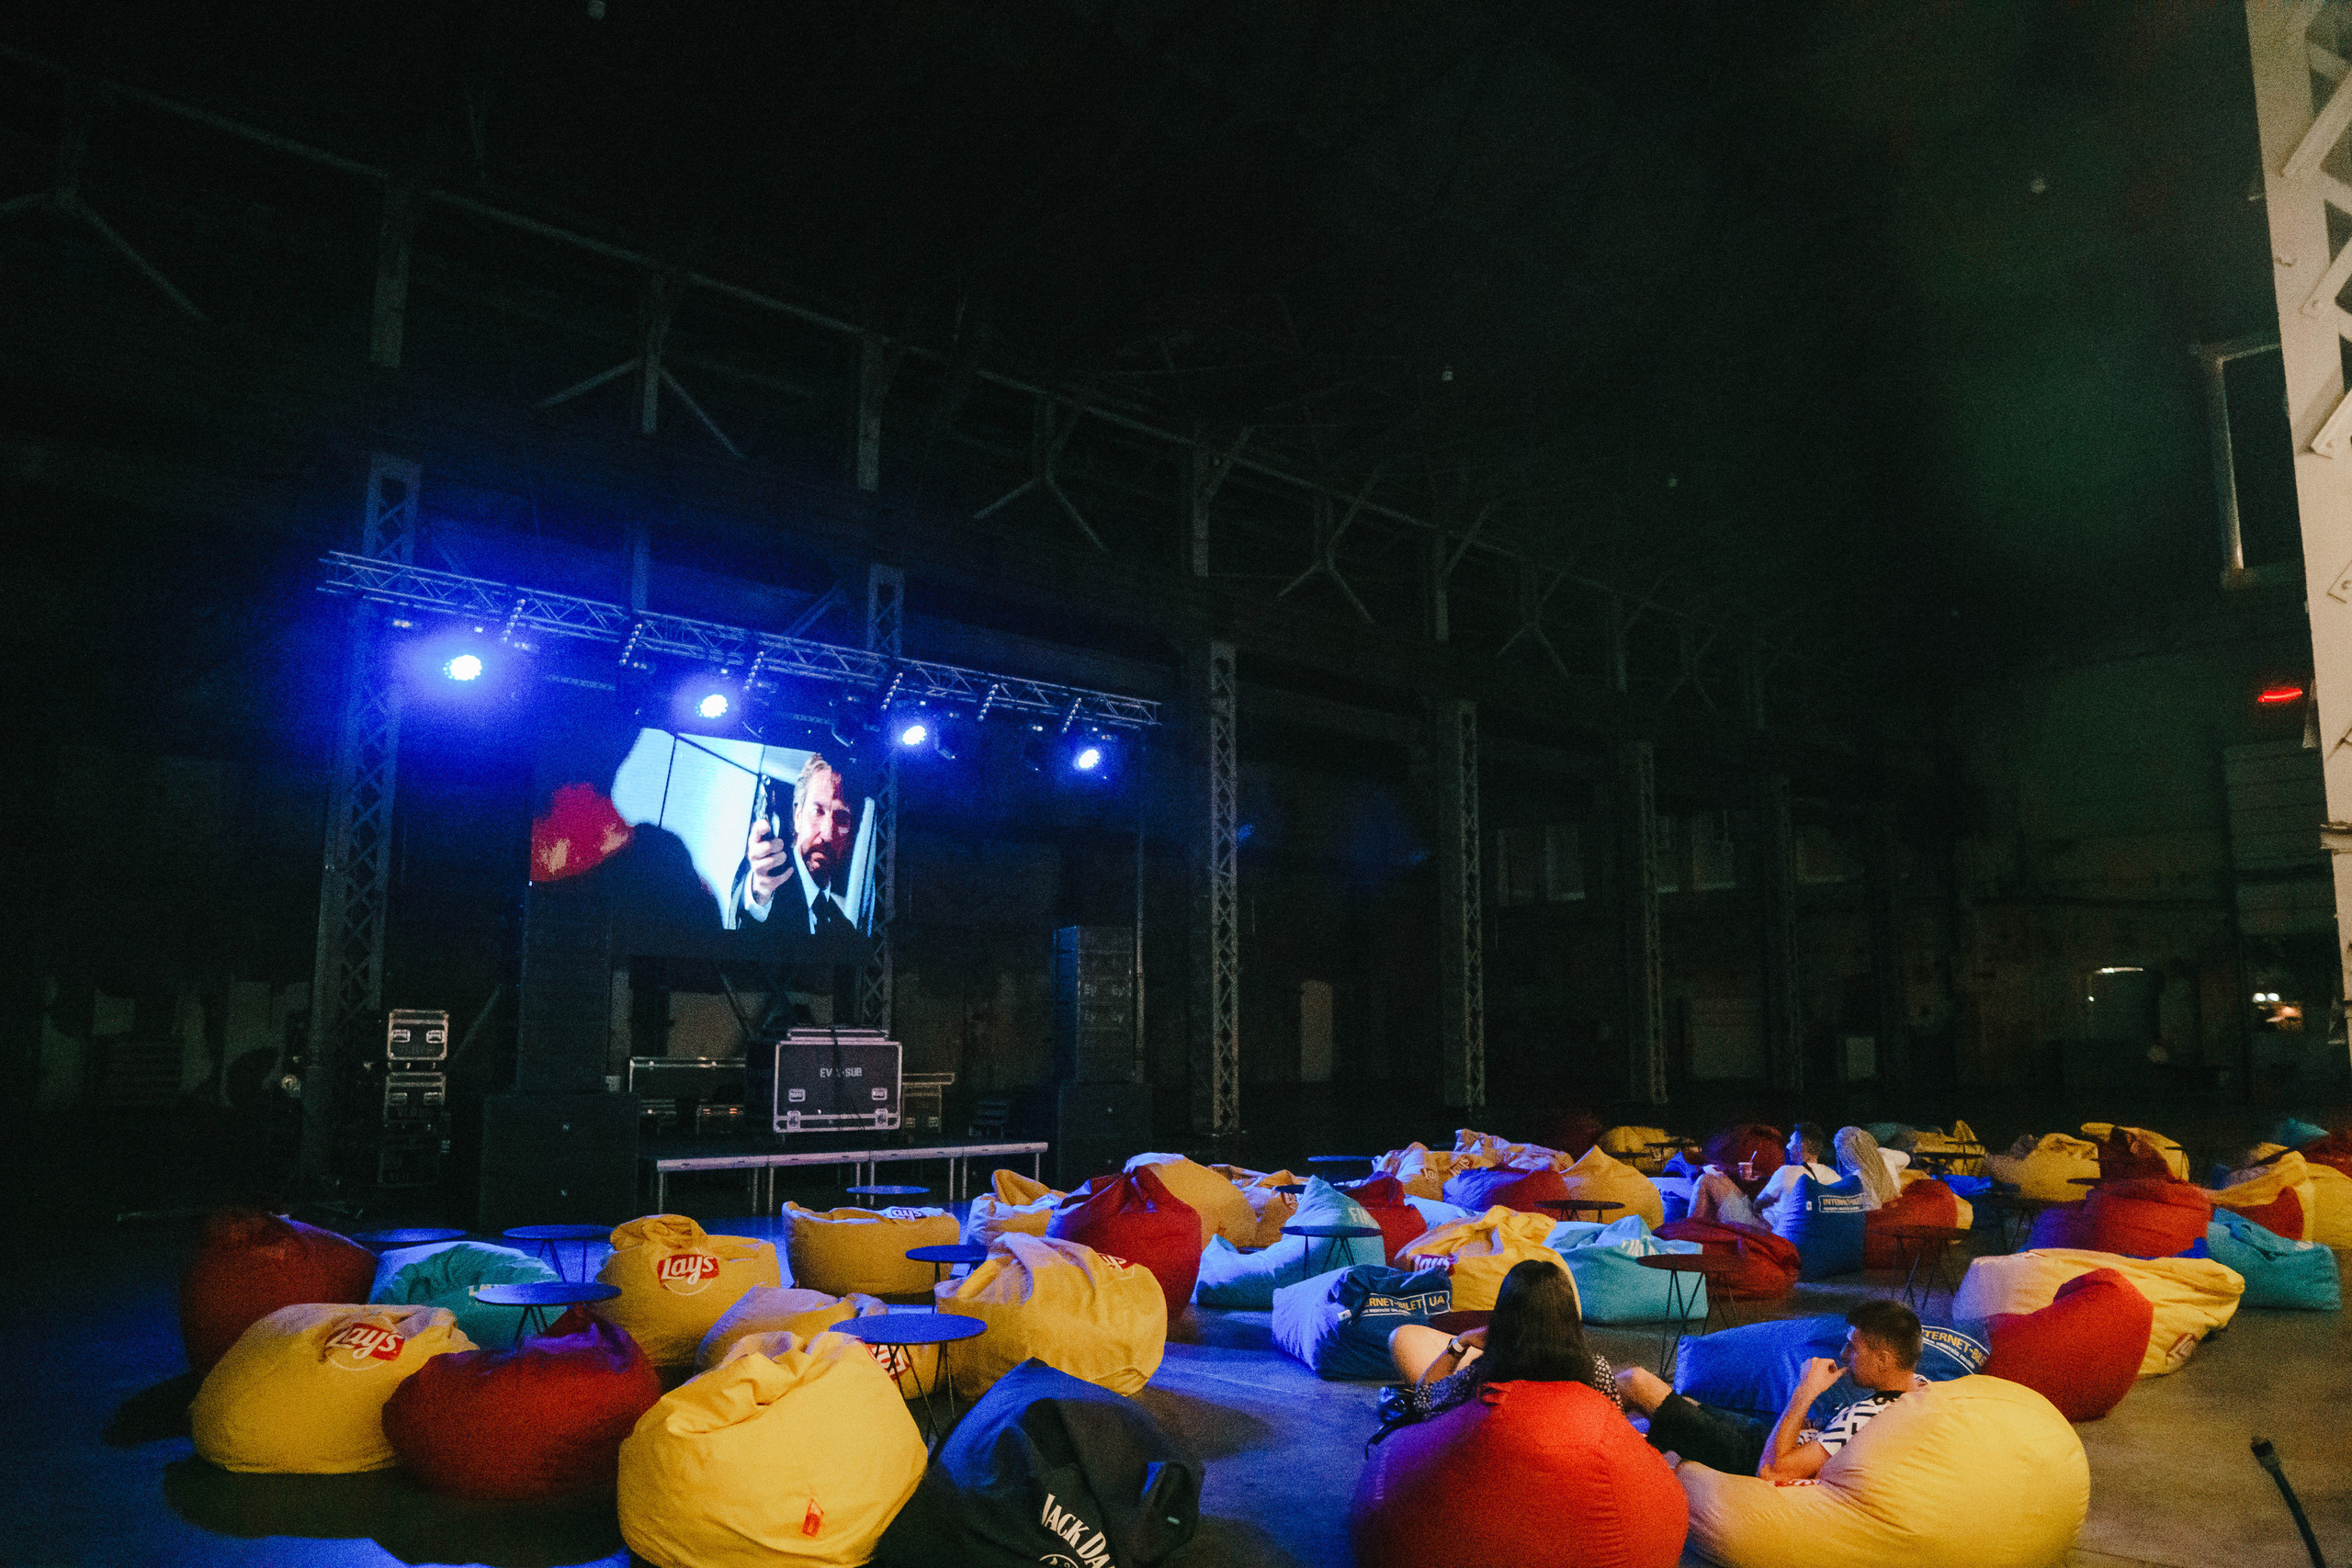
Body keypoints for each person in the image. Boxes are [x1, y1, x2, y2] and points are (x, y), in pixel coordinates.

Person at [1615, 1299, 1928, 1480]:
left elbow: (1772, 1470)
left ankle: (1578, 1453)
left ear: (1884, 1360)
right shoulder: (1924, 1388)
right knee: (1685, 1403)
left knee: (1635, 1382)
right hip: (1767, 1432)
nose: (1844, 1354)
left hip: (1749, 1454)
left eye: (1853, 1347)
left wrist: (1805, 1391)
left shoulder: (1864, 1415)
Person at [1385, 1258, 1621, 1425]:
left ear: (1503, 1315)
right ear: (1569, 1316)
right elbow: (1612, 1426)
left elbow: (1424, 1400)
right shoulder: (1595, 1370)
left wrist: (1461, 1342)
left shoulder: (1484, 1376)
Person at [731, 753, 860, 948]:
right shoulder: (770, 876)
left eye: (841, 818)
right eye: (818, 811)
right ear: (798, 816)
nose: (827, 833)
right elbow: (742, 922)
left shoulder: (845, 932)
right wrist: (759, 892)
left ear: (850, 835)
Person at [1689, 1123, 1837, 1228]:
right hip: (1793, 1226)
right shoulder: (1833, 1176)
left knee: (1706, 1180)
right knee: (1720, 1178)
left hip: (1762, 1227)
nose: (1787, 1146)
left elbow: (1757, 1204)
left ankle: (1689, 1236)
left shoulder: (1787, 1171)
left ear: (1801, 1146)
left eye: (1791, 1142)